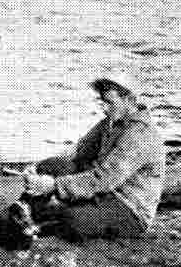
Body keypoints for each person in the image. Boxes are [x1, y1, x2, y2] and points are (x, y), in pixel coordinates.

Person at [21, 71, 167, 240]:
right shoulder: (111, 121)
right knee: (51, 166)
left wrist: (54, 185)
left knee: (72, 219)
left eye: (110, 103)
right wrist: (36, 167)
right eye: (103, 102)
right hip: (106, 193)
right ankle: (27, 210)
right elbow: (78, 150)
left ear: (129, 100)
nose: (104, 108)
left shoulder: (140, 134)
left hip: (130, 208)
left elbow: (105, 178)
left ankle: (39, 220)